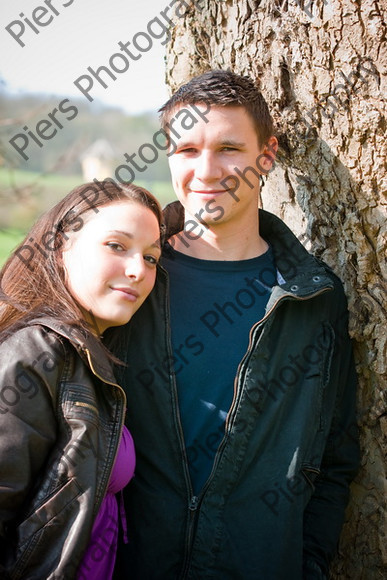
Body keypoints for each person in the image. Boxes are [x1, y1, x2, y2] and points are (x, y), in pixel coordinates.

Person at [113, 70, 360, 579]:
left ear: (265, 156)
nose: (206, 169)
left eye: (229, 147)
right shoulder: (129, 281)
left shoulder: (313, 297)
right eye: (187, 150)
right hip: (133, 564)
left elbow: (334, 456)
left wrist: (308, 563)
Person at [0, 181, 163, 579]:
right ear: (61, 247)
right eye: (116, 245)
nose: (137, 269)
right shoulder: (37, 353)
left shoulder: (89, 356)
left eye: (152, 258)